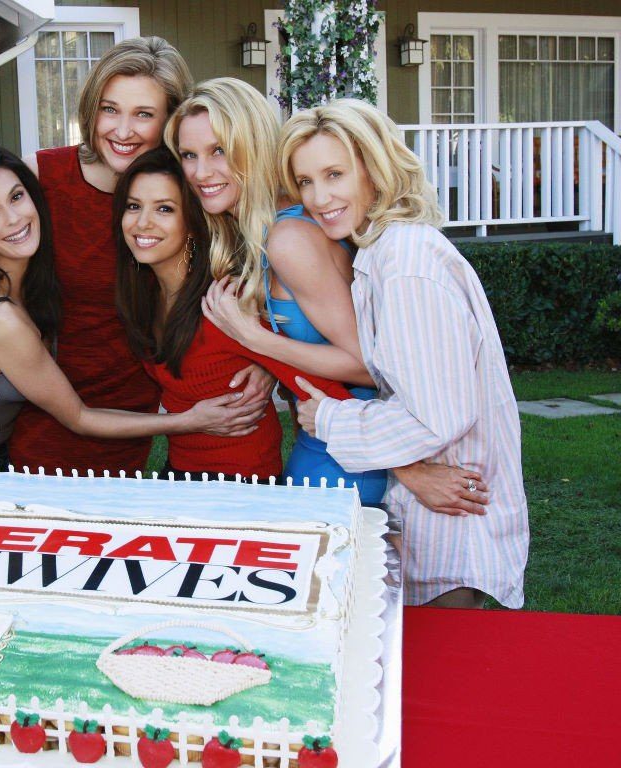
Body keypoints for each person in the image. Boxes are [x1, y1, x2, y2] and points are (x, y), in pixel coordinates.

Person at [0, 38, 276, 474]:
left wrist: (267, 360)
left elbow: (255, 271)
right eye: (110, 109)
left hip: (132, 418)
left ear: (170, 120)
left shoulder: (191, 187)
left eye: (143, 114)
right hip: (42, 417)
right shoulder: (41, 177)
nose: (123, 131)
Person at [167, 79, 485, 513]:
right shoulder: (260, 231)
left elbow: (368, 366)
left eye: (218, 151)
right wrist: (267, 362)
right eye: (189, 155)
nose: (201, 172)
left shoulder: (289, 239)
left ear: (252, 146)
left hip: (346, 457)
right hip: (328, 443)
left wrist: (256, 340)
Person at [284, 98, 529, 609]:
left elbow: (435, 417)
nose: (319, 197)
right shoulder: (384, 252)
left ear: (375, 169)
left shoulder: (407, 263)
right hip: (432, 518)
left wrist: (330, 418)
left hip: (455, 530)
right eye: (306, 181)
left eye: (334, 174)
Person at [114, 148, 353, 479]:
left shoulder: (224, 303)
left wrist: (407, 466)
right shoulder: (145, 294)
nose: (143, 222)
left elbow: (323, 390)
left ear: (193, 223)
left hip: (240, 483)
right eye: (133, 206)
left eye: (164, 208)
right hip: (179, 472)